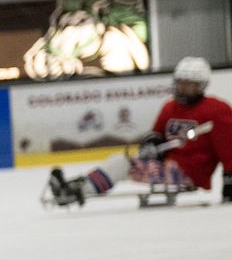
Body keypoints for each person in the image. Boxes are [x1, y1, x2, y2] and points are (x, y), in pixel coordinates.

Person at [47, 57, 232, 206]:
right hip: (166, 167)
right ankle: (77, 186)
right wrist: (151, 145)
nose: (182, 88)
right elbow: (156, 134)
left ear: (201, 85)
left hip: (189, 175)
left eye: (189, 84)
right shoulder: (170, 107)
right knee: (120, 161)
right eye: (180, 83)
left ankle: (74, 190)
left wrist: (229, 185)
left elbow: (229, 150)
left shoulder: (216, 111)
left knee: (121, 164)